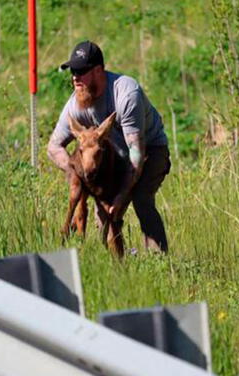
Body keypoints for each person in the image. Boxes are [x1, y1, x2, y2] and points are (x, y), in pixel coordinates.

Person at [47, 40, 171, 253]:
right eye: (72, 71)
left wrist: (122, 194)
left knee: (141, 198)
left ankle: (159, 262)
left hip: (149, 150)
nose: (75, 77)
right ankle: (119, 269)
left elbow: (137, 154)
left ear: (98, 70)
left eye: (81, 71)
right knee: (104, 214)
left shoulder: (125, 94)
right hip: (115, 158)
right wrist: (77, 174)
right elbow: (53, 147)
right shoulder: (76, 106)